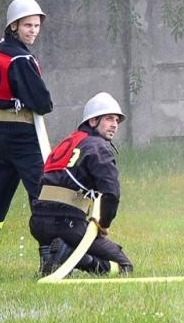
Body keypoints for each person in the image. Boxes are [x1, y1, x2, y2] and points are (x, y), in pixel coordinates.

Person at [0, 0, 54, 273]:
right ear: (14, 25)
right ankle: (48, 261)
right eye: (28, 26)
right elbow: (44, 103)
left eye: (37, 26)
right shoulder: (22, 59)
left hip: (0, 130)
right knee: (42, 194)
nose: (34, 31)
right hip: (24, 134)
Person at [30, 91, 134, 277]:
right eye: (109, 119)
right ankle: (68, 254)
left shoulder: (67, 143)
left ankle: (57, 256)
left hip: (37, 223)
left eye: (117, 121)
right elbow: (111, 194)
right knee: (122, 264)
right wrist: (103, 224)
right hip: (66, 224)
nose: (114, 125)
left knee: (76, 241)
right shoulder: (98, 147)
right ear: (93, 122)